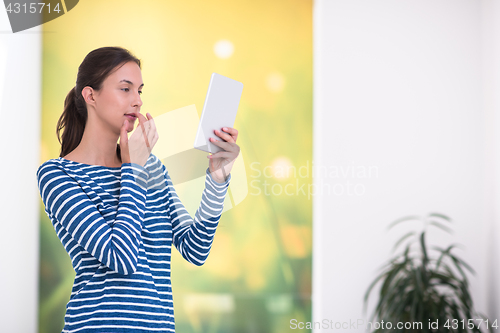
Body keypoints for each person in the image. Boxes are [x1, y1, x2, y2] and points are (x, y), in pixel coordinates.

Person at [36, 46, 240, 332]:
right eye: (125, 89)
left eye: (140, 91)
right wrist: (134, 170)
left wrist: (217, 181)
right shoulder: (58, 175)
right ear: (90, 95)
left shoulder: (151, 168)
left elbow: (195, 249)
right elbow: (122, 257)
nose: (137, 101)